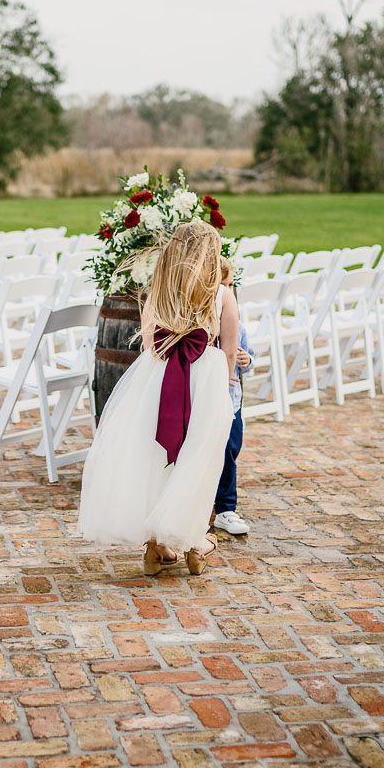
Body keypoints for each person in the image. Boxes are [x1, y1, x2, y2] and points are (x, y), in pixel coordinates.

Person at [78, 221, 238, 576]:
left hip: (160, 377)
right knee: (198, 459)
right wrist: (223, 392)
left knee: (155, 457)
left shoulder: (157, 294)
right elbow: (229, 351)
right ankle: (197, 542)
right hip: (207, 379)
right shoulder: (223, 295)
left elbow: (151, 345)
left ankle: (156, 548)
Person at [212, 258, 252, 536]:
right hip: (208, 397)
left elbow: (250, 358)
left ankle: (225, 507)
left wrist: (246, 359)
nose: (228, 291)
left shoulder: (240, 325)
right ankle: (219, 506)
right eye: (221, 285)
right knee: (214, 452)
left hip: (233, 400)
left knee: (231, 448)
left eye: (231, 285)